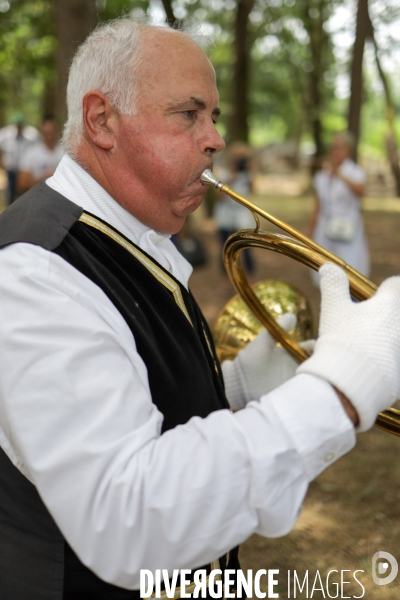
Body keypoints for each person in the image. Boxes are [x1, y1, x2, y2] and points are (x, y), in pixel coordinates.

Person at [0, 18, 399, 599]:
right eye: (188, 114)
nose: (213, 137)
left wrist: (237, 389)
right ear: (101, 121)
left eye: (213, 116)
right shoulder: (31, 273)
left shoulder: (131, 229)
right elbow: (127, 520)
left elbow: (129, 398)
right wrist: (343, 385)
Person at [308, 132, 370, 287]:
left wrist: (340, 175)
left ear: (347, 150)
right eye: (332, 148)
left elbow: (362, 192)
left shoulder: (355, 171)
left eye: (339, 148)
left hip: (348, 230)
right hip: (325, 229)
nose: (335, 151)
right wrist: (310, 230)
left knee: (349, 272)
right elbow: (318, 206)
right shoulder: (322, 176)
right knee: (326, 271)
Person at [213, 143, 256, 275]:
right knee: (226, 248)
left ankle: (251, 280)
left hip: (242, 216)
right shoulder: (224, 173)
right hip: (225, 215)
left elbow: (253, 191)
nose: (240, 161)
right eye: (238, 158)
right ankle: (225, 280)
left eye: (243, 158)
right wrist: (233, 177)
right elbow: (219, 196)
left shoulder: (247, 174)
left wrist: (252, 173)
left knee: (246, 248)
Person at [17, 115, 63, 193]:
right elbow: (22, 184)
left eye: (52, 132)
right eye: (47, 133)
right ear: (41, 131)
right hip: (39, 197)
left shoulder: (65, 152)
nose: (50, 136)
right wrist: (45, 178)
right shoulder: (31, 153)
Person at [0, 112, 35, 204]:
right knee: (10, 191)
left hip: (23, 170)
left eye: (21, 125)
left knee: (23, 192)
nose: (19, 127)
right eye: (17, 125)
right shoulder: (5, 135)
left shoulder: (31, 135)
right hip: (11, 169)